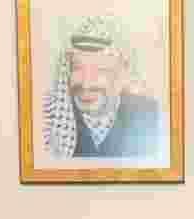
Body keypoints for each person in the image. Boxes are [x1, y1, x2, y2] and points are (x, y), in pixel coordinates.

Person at [44, 15, 162, 159]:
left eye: (100, 70)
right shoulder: (50, 121)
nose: (86, 84)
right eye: (77, 68)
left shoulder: (151, 116)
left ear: (122, 73)